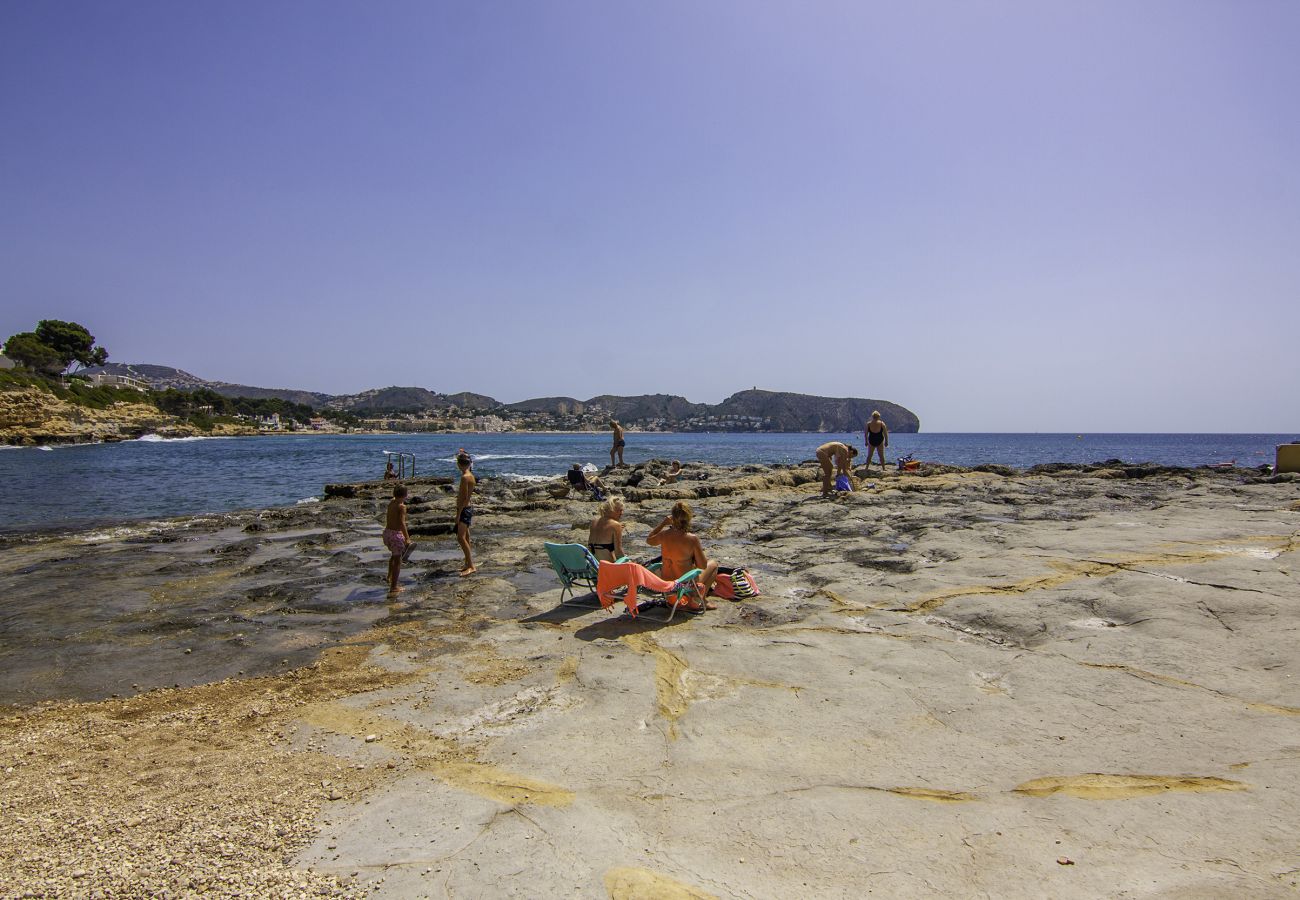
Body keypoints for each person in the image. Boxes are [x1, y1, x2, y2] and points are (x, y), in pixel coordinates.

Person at [646, 501, 718, 610]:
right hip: (683, 585)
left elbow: (649, 540)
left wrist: (662, 524)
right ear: (689, 518)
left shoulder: (664, 534)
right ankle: (701, 599)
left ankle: (689, 597)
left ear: (672, 517)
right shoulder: (692, 539)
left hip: (666, 584)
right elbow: (702, 566)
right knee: (713, 564)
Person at [382, 484, 413, 595]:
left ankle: (389, 576)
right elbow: (402, 523)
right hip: (395, 535)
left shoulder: (392, 502)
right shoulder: (401, 506)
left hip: (387, 533)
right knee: (398, 561)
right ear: (405, 495)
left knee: (393, 556)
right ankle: (394, 587)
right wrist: (407, 538)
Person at [455, 449, 476, 576]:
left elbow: (464, 498)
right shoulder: (471, 476)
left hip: (464, 510)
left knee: (461, 538)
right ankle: (467, 563)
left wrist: (458, 514)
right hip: (466, 509)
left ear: (459, 464)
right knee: (466, 537)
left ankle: (471, 565)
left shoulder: (464, 478)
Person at [587, 496, 626, 562]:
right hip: (609, 568)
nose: (622, 513)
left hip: (595, 567)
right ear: (611, 510)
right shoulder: (615, 525)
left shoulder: (593, 522)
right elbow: (619, 553)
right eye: (619, 510)